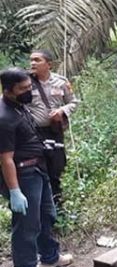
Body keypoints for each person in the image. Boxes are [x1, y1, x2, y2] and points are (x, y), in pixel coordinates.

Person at [0, 68, 73, 267]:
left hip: (37, 169)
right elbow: (5, 159)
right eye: (23, 89)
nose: (28, 91)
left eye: (29, 87)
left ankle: (49, 257)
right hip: (23, 174)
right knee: (26, 223)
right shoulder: (4, 117)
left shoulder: (19, 107)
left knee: (46, 214)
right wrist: (14, 191)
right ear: (8, 90)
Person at [27, 49, 80, 208]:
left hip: (54, 132)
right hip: (34, 134)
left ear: (49, 64)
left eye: (37, 60)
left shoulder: (61, 82)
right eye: (31, 60)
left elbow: (74, 102)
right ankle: (41, 206)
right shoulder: (26, 83)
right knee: (37, 169)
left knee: (56, 167)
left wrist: (62, 111)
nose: (33, 63)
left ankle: (57, 205)